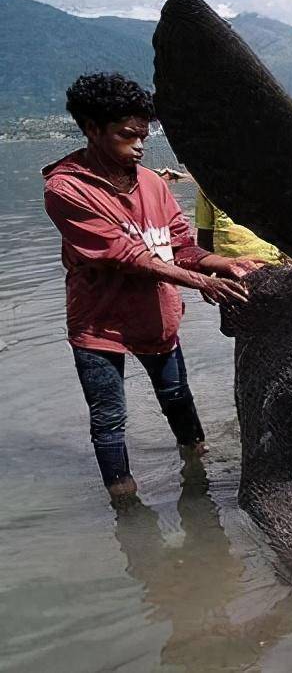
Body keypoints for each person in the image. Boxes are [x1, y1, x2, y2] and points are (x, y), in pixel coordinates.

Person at [42, 73, 259, 500]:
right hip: (100, 328)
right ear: (91, 128)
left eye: (144, 135)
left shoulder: (154, 183)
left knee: (179, 401)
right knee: (108, 420)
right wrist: (199, 281)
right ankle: (125, 506)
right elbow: (126, 256)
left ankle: (200, 488)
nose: (140, 145)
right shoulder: (65, 189)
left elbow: (180, 245)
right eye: (127, 135)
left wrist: (224, 264)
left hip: (156, 318)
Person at [196, 187, 288, 265]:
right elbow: (204, 241)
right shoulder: (208, 188)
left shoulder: (275, 186)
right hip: (232, 268)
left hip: (273, 264)